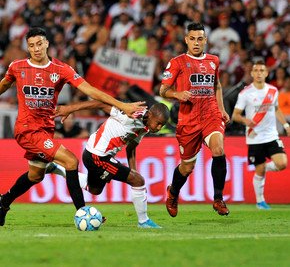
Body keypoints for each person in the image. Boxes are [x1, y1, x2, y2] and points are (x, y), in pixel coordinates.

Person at [0, 27, 145, 226]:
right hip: (26, 129)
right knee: (70, 161)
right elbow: (4, 85)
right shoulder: (17, 67)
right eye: (31, 45)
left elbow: (91, 91)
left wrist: (122, 105)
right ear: (28, 47)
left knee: (35, 175)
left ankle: (3, 202)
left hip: (45, 129)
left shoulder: (61, 70)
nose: (36, 49)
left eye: (39, 44)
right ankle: (83, 213)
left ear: (47, 44)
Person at [46, 100, 170, 228]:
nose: (159, 127)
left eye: (163, 125)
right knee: (139, 181)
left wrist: (134, 171)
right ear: (149, 115)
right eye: (159, 123)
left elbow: (131, 147)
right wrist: (70, 108)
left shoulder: (146, 126)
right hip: (98, 156)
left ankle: (56, 169)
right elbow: (99, 104)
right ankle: (143, 221)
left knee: (95, 190)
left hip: (94, 155)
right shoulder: (130, 114)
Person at [159, 22, 230, 217]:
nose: (196, 43)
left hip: (210, 114)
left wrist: (222, 109)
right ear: (186, 40)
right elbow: (163, 90)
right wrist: (178, 94)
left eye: (200, 39)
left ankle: (218, 199)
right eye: (192, 39)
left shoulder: (214, 60)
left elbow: (217, 86)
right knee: (187, 167)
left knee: (218, 148)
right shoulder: (177, 62)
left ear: (205, 40)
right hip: (188, 120)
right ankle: (173, 192)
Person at [232, 61, 290, 210]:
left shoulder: (273, 91)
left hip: (271, 136)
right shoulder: (245, 93)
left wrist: (285, 125)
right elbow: (235, 115)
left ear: (266, 73)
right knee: (259, 171)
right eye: (256, 70)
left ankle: (262, 167)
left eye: (261, 70)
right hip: (254, 137)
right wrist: (245, 120)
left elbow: (276, 109)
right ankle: (260, 201)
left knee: (282, 163)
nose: (258, 73)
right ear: (251, 74)